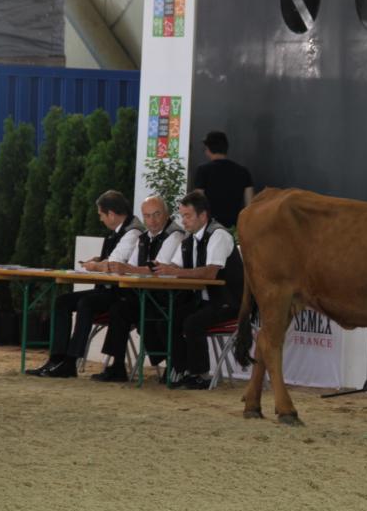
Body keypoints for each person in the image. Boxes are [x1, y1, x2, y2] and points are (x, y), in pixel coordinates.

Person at [26, 190, 143, 378]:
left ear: (111, 214)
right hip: (109, 289)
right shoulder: (118, 231)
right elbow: (111, 260)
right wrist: (99, 261)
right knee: (63, 301)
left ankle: (71, 361)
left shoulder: (133, 232)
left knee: (86, 303)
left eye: (101, 215)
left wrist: (95, 265)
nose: (100, 219)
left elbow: (113, 264)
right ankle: (57, 358)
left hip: (123, 294)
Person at [153, 190, 243, 389]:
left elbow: (210, 273)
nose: (183, 221)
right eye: (182, 216)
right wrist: (163, 270)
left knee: (192, 323)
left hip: (228, 302)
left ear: (203, 216)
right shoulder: (189, 240)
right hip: (203, 301)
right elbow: (175, 267)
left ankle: (201, 374)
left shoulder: (218, 235)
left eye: (187, 216)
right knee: (165, 322)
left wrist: (174, 271)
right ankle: (182, 369)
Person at [90, 196, 184, 382]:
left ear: (167, 214)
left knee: (148, 316)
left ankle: (173, 363)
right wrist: (119, 268)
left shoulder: (175, 235)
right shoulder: (144, 237)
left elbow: (159, 268)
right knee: (119, 309)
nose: (152, 220)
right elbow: (129, 266)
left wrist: (126, 269)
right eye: (147, 216)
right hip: (146, 296)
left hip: (168, 298)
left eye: (157, 215)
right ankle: (118, 367)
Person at [192, 131, 254, 228]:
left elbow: (197, 201)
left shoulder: (203, 171)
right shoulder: (243, 171)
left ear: (208, 149)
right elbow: (249, 205)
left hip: (210, 228)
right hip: (235, 227)